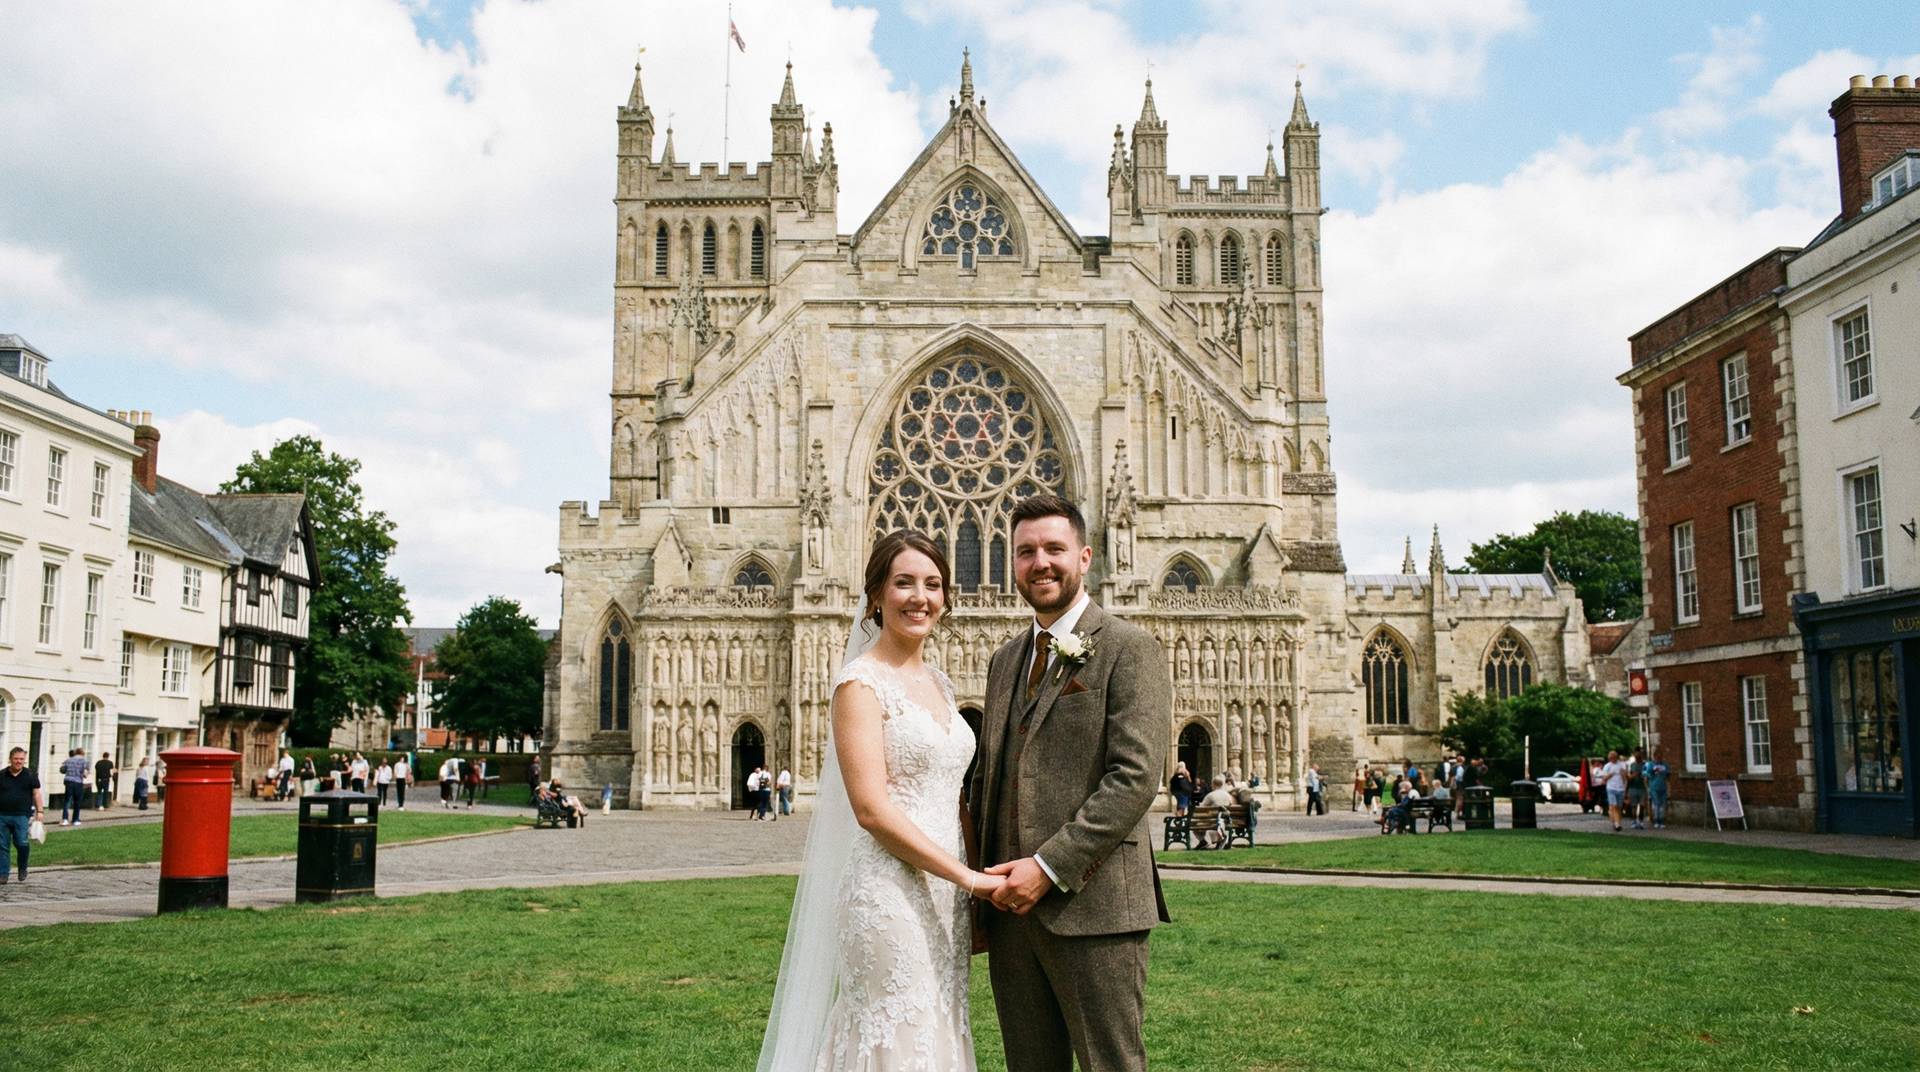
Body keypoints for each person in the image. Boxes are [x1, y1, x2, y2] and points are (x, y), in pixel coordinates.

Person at [759, 529, 1008, 1071]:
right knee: (897, 1032)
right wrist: (970, 880)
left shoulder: (940, 684)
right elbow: (871, 811)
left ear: (945, 598)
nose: (920, 597)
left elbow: (954, 794)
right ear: (875, 596)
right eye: (904, 583)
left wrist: (972, 891)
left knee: (939, 1026)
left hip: (948, 892)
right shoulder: (859, 684)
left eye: (933, 584)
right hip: (889, 893)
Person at [972, 495, 1170, 1071]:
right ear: (1013, 564)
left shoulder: (1130, 648)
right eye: (1027, 552)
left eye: (1055, 549)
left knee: (1112, 1064)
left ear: (1084, 557)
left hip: (1095, 907)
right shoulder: (1006, 660)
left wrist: (1049, 866)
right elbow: (991, 778)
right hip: (1011, 913)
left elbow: (1134, 779)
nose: (1041, 563)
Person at [1, 747, 45, 883]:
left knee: (21, 842)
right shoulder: (1, 775)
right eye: (16, 759)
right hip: (2, 815)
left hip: (21, 815)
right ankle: (3, 874)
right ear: (10, 759)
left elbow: (36, 793)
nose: (18, 762)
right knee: (2, 845)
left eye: (21, 759)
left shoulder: (30, 775)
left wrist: (40, 811)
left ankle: (22, 867)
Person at [1598, 749, 1628, 832]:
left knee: (1618, 807)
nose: (1612, 759)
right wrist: (1610, 775)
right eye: (1611, 758)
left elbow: (1625, 778)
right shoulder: (1607, 766)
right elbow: (1604, 779)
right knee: (1614, 806)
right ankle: (1617, 824)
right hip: (1611, 788)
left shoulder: (1622, 765)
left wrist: (1623, 775)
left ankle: (1616, 822)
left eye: (1614, 758)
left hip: (1620, 789)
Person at [60, 747, 89, 826]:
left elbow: (62, 770)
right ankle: (75, 819)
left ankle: (65, 819)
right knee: (77, 801)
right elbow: (85, 773)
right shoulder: (84, 761)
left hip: (68, 781)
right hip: (78, 782)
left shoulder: (68, 760)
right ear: (82, 753)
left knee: (67, 800)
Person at [1646, 748, 1671, 829]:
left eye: (1660, 756)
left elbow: (1668, 777)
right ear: (1654, 756)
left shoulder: (1665, 765)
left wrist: (1669, 789)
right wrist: (1648, 788)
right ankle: (1656, 820)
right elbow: (1648, 775)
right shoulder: (1651, 764)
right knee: (1656, 804)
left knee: (1662, 805)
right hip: (1654, 787)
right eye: (1657, 756)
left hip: (1663, 787)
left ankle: (1662, 820)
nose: (1659, 757)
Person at [1625, 746, 1649, 830]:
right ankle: (1634, 821)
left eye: (1640, 754)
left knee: (1642, 805)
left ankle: (1641, 822)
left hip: (1642, 787)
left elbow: (1646, 776)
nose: (1638, 755)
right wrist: (1632, 776)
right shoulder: (1631, 765)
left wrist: (1647, 789)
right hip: (1633, 787)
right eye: (1636, 754)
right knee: (1634, 806)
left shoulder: (1645, 765)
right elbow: (1628, 777)